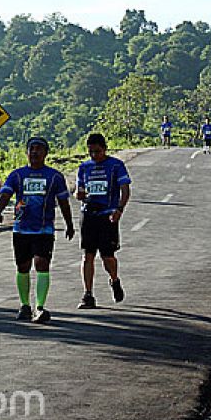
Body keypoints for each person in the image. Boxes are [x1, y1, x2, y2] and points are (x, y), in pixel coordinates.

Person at [0, 136, 75, 324]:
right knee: (23, 267)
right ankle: (24, 305)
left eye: (39, 149)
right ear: (27, 152)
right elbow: (5, 194)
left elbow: (63, 201)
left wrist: (69, 224)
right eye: (32, 149)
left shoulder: (54, 176)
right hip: (21, 229)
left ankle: (40, 307)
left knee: (41, 264)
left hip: (44, 229)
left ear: (46, 153)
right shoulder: (17, 175)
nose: (35, 152)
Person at [76, 132, 132, 309]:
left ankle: (114, 279)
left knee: (107, 256)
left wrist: (119, 210)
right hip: (88, 215)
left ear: (105, 149)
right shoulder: (84, 168)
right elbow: (79, 189)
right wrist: (78, 194)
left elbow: (125, 189)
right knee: (88, 255)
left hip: (107, 215)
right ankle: (88, 294)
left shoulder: (116, 165)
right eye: (91, 152)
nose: (94, 156)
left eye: (98, 152)